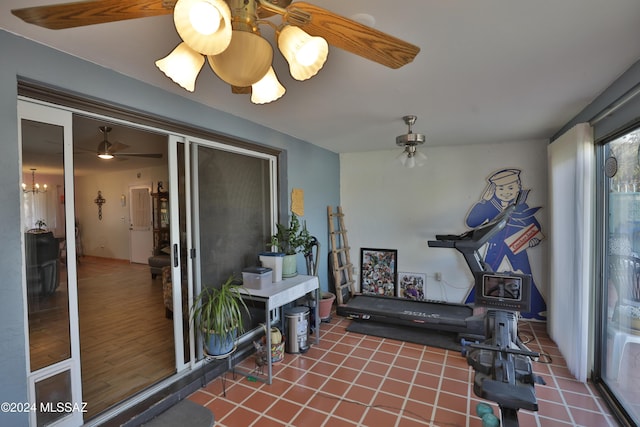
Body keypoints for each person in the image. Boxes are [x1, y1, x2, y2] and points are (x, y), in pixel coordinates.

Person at [465, 168, 546, 320]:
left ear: (518, 187)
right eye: (501, 188)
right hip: (496, 246)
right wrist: (484, 201)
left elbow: (533, 225)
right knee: (484, 275)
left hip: (516, 246)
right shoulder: (490, 206)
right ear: (494, 190)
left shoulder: (520, 207)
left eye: (510, 187)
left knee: (526, 275)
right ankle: (470, 303)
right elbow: (471, 222)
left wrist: (534, 238)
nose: (506, 192)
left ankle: (533, 309)